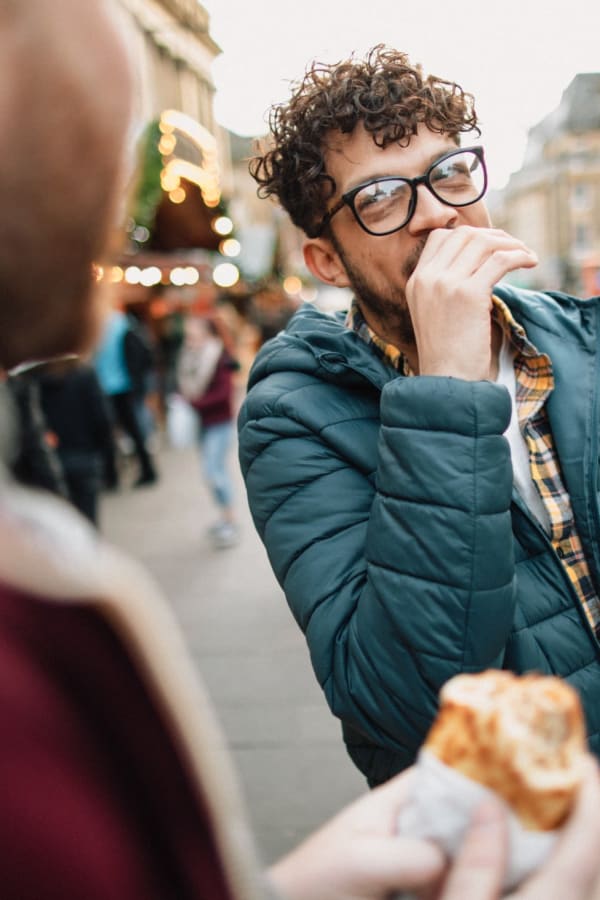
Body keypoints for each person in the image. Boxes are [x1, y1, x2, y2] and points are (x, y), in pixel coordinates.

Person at [237, 44, 600, 788]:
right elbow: (400, 707)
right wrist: (448, 386)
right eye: (378, 199)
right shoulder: (291, 415)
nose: (437, 213)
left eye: (450, 171)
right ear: (328, 262)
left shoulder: (586, 337)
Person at [177, 314, 240, 548]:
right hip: (203, 423)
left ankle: (230, 522)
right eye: (188, 336)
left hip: (219, 423)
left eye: (194, 335)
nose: (190, 340)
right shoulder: (191, 357)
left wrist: (192, 402)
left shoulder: (218, 357)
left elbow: (224, 394)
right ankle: (225, 518)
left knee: (213, 471)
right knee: (212, 472)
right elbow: (185, 382)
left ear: (208, 335)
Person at [37, 356, 118, 525]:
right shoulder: (84, 374)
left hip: (51, 461)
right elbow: (102, 419)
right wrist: (109, 462)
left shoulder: (34, 381)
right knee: (87, 527)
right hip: (85, 459)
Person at [94, 305, 158, 488]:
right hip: (121, 384)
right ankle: (145, 470)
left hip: (114, 385)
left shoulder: (107, 323)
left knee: (110, 433)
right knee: (132, 431)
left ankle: (113, 477)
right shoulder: (121, 322)